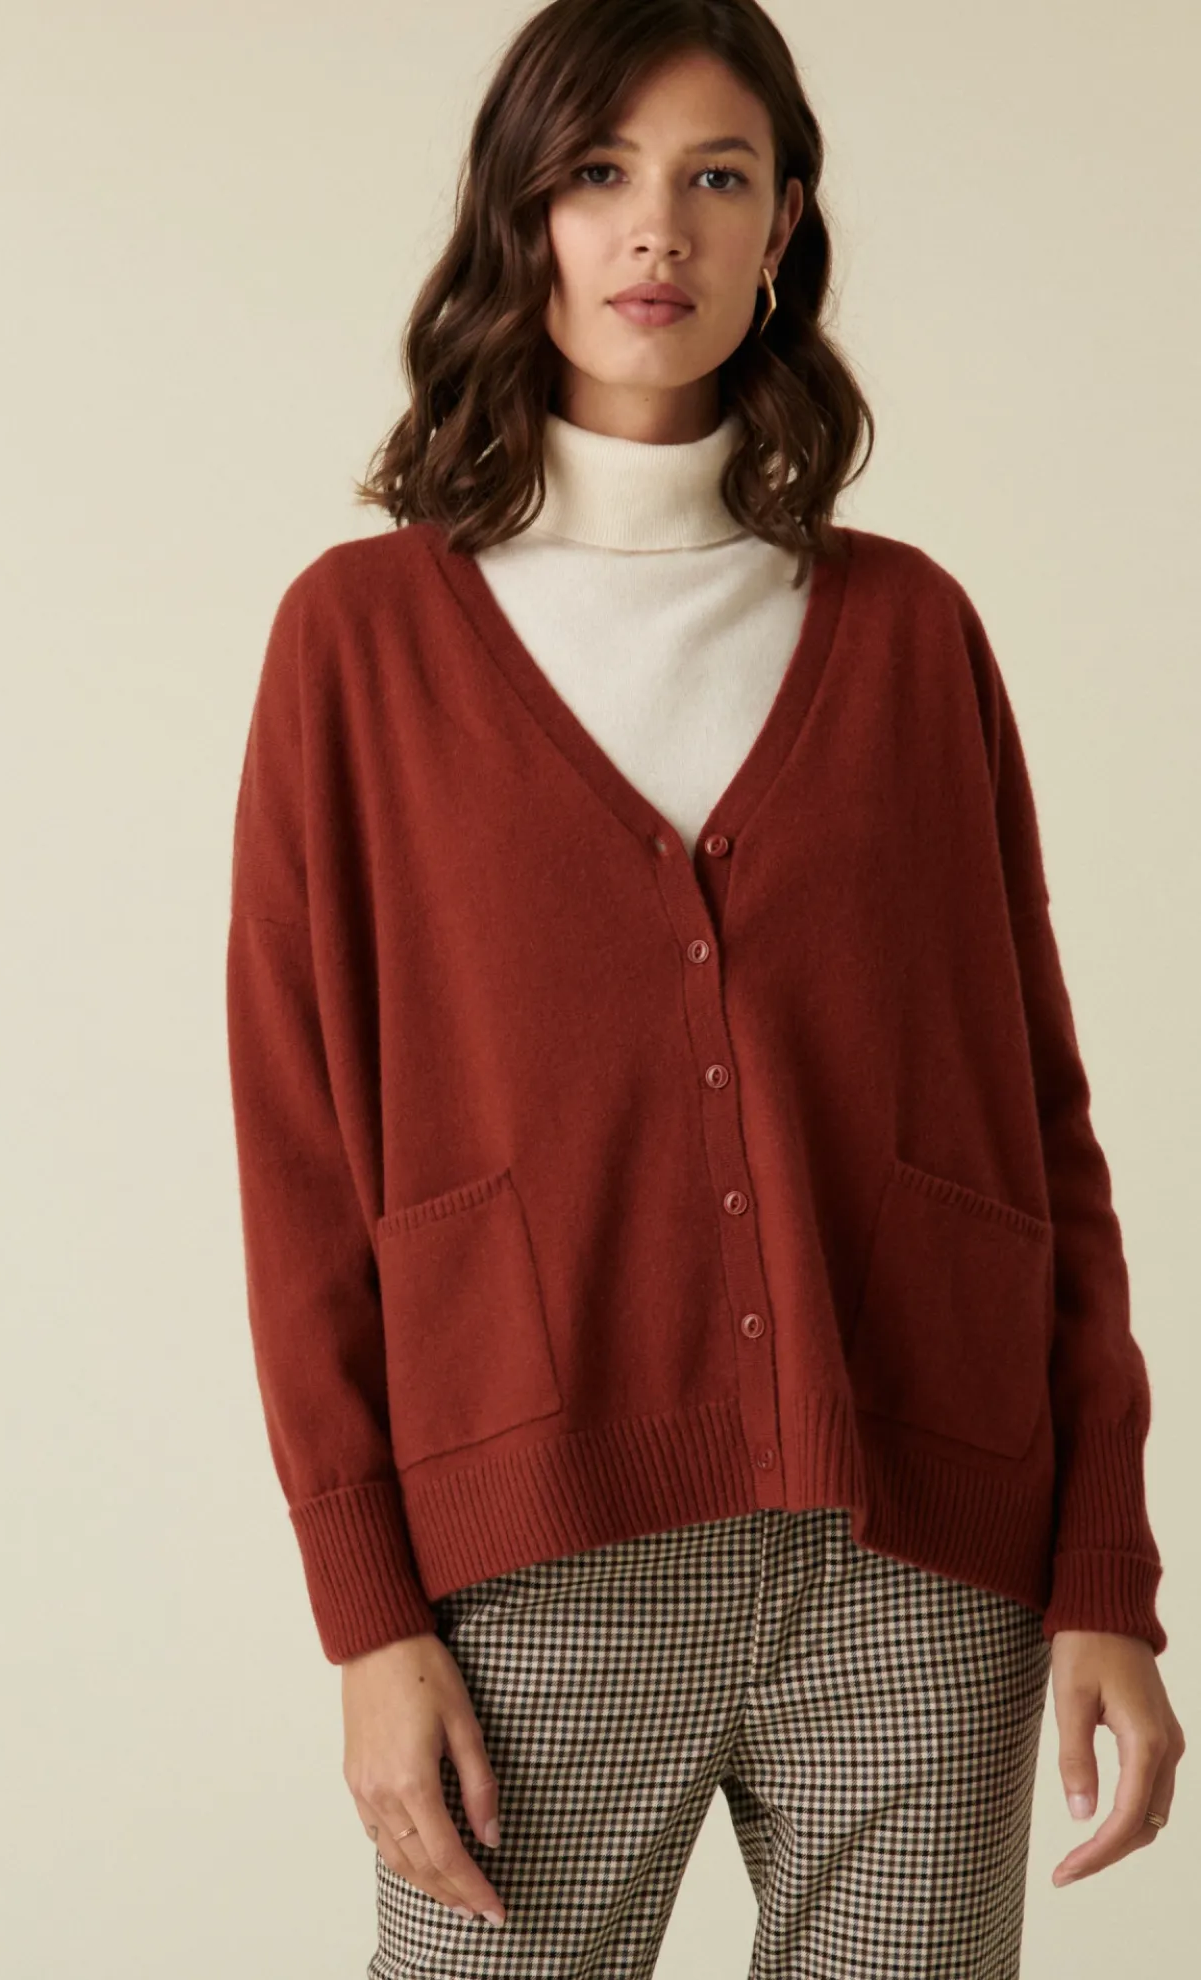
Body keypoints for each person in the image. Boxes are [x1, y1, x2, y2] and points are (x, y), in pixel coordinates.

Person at [221, 2, 1185, 1974]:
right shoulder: (359, 644)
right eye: (599, 175)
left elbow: (1038, 1124)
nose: (655, 228)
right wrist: (369, 1617)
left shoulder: (910, 635)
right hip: (533, 1557)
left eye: (714, 178)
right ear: (523, 216)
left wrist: (1104, 1565)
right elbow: (302, 1156)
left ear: (780, 229)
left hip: (916, 1554)